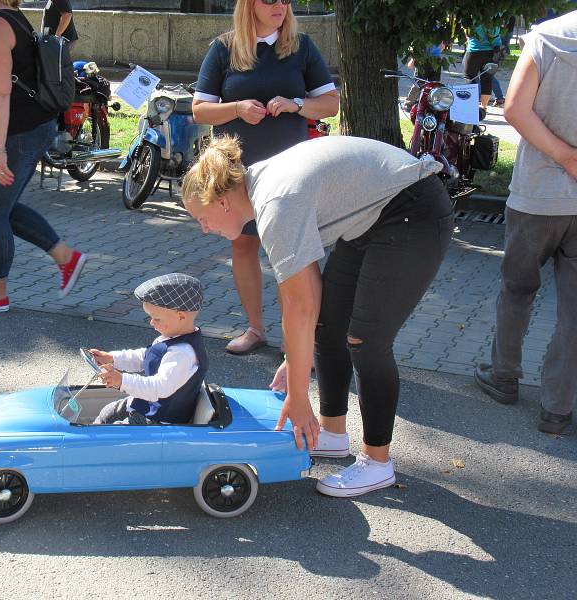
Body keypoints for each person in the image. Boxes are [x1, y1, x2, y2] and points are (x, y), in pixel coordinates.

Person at [182, 135, 453, 497]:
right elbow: (300, 293)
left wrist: (298, 393)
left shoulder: (275, 203)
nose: (204, 228)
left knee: (366, 340)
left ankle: (377, 462)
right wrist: (297, 356)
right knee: (328, 325)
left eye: (202, 217)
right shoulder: (262, 193)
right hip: (373, 217)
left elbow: (299, 306)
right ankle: (332, 433)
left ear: (223, 202)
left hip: (412, 211)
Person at [192, 0, 338, 356]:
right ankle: (255, 328)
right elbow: (199, 109)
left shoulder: (301, 46)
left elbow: (331, 104)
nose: (280, 6)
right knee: (243, 244)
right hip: (240, 171)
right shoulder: (224, 47)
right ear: (249, 4)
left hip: (291, 173)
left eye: (286, 0)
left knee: (296, 252)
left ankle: (303, 340)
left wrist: (296, 105)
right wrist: (237, 109)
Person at [475, 10, 577, 435]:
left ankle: (504, 375)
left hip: (538, 194)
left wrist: (565, 156)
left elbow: (515, 109)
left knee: (517, 289)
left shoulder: (548, 37)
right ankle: (556, 407)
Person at [0, 0, 86, 313]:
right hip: (26, 129)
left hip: (14, 135)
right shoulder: (5, 17)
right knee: (0, 206)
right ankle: (67, 258)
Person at [90, 273, 208, 425]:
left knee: (116, 431)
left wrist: (121, 380)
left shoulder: (182, 354)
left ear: (181, 316)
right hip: (149, 403)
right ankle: (92, 431)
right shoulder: (170, 337)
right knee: (108, 411)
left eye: (157, 318)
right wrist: (112, 359)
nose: (151, 322)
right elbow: (144, 356)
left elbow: (160, 387)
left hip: (160, 420)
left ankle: (94, 443)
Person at [464, 21, 503, 108]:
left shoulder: (473, 11)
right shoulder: (496, 13)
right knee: (487, 79)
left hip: (473, 50)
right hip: (490, 51)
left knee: (470, 77)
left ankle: (471, 106)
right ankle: (483, 107)